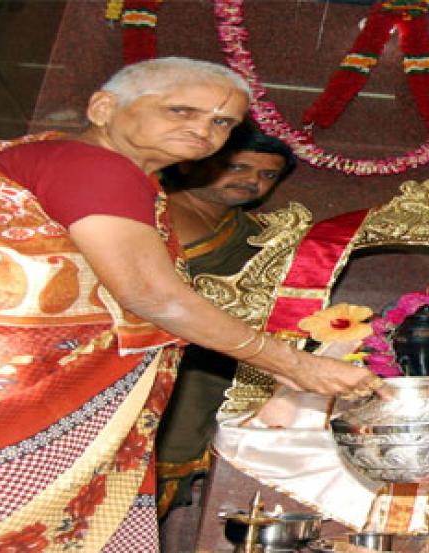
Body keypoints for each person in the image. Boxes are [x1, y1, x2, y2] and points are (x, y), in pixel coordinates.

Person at [0, 57, 378, 551]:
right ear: (104, 107)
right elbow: (151, 294)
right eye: (180, 110)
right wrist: (290, 364)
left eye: (222, 122)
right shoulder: (95, 166)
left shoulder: (75, 162)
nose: (203, 130)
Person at [155, 123, 296, 516]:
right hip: (137, 366)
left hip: (204, 376)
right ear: (188, 165)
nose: (252, 181)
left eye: (267, 175)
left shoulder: (254, 234)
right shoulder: (147, 212)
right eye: (238, 167)